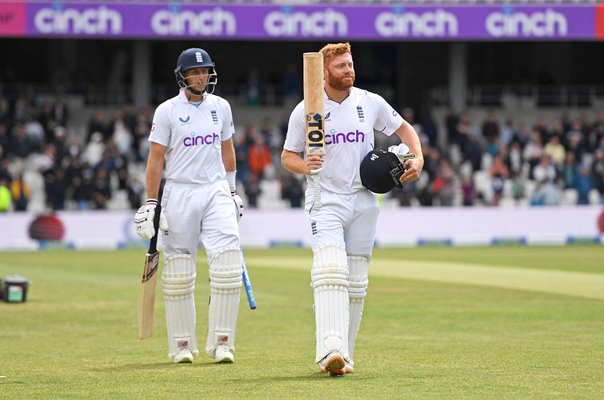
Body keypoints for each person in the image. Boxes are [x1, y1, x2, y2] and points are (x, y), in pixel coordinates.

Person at [281, 42, 423, 376]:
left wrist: (418, 158)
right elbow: (287, 156)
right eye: (342, 66)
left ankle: (344, 356)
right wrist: (305, 165)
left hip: (364, 199)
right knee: (331, 271)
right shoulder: (306, 109)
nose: (349, 70)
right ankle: (330, 348)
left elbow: (405, 129)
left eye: (351, 64)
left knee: (357, 283)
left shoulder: (369, 102)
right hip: (324, 197)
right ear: (325, 70)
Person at [134, 47, 244, 364]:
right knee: (180, 270)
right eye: (195, 72)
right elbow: (155, 161)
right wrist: (152, 203)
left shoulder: (221, 107)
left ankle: (222, 342)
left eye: (205, 71)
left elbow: (228, 151)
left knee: (227, 265)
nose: (201, 76)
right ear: (182, 76)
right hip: (179, 191)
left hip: (215, 191)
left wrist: (232, 190)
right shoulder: (167, 111)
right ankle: (182, 345)